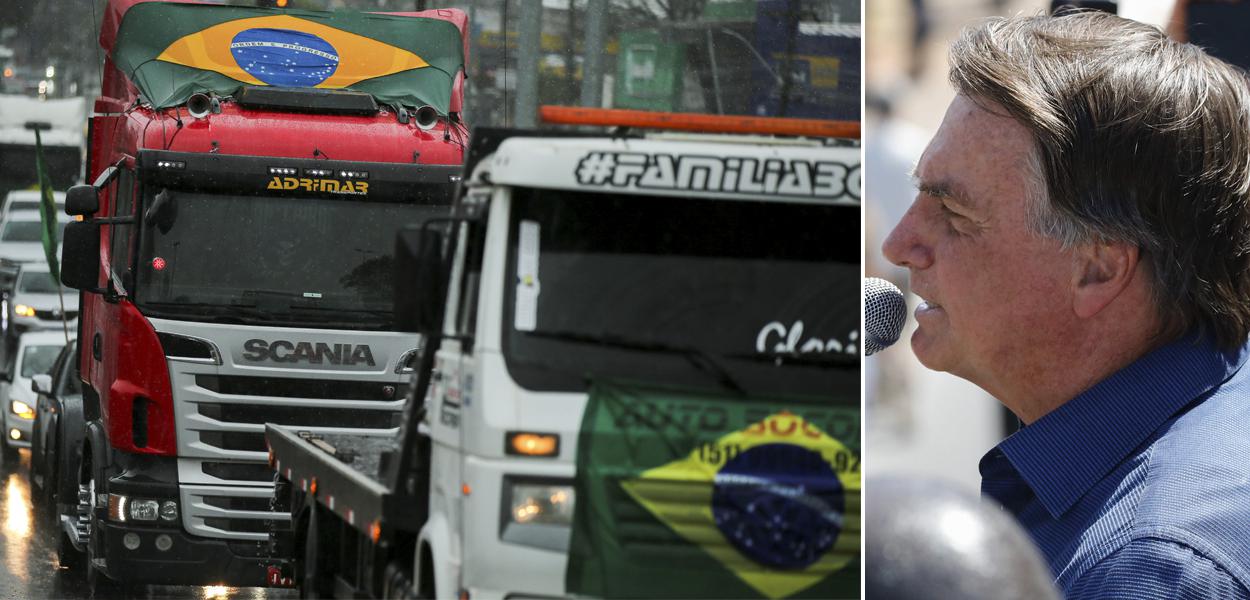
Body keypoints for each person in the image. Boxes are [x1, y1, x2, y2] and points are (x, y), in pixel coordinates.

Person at [881, 12, 1250, 599]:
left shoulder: (1147, 570)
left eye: (952, 214)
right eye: (919, 192)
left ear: (1098, 268)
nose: (899, 245)